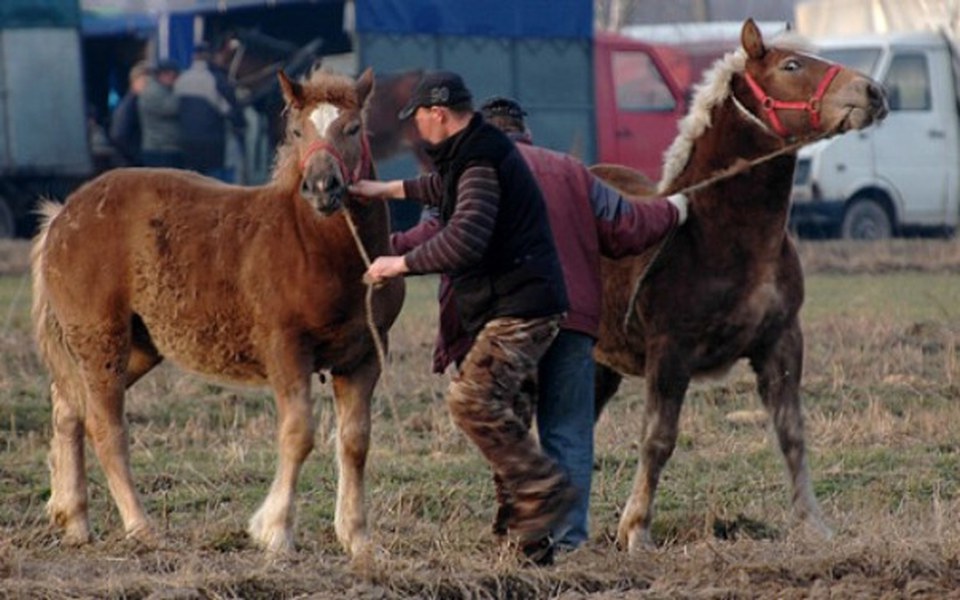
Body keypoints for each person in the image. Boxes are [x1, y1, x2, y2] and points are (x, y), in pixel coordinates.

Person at [392, 96, 689, 555]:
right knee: (568, 430)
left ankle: (524, 536)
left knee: (506, 429)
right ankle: (570, 544)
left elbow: (430, 236)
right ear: (524, 132)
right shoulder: (571, 172)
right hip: (573, 322)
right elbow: (627, 225)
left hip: (505, 323)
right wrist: (674, 208)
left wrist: (384, 250)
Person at [349, 71, 576, 564]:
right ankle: (528, 543)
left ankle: (545, 486)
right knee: (507, 417)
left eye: (418, 122)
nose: (416, 133)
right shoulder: (474, 149)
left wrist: (400, 263)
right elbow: (438, 187)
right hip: (516, 300)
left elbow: (467, 236)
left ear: (438, 114)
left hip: (521, 306)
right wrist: (385, 189)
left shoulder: (477, 158)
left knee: (472, 401)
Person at [174, 41, 246, 182]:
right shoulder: (216, 78)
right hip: (215, 142)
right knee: (217, 184)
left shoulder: (181, 79)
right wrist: (241, 122)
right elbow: (228, 110)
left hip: (187, 140)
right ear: (209, 56)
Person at [138, 59, 183, 168]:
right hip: (159, 149)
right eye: (170, 75)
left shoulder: (166, 90)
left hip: (168, 147)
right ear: (160, 75)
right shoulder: (152, 92)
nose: (173, 78)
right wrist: (182, 90)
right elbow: (172, 108)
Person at [109, 61, 150, 166]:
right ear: (134, 81)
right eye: (145, 81)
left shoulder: (135, 101)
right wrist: (138, 156)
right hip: (128, 162)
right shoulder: (130, 104)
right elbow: (118, 134)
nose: (148, 85)